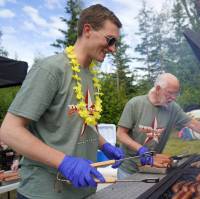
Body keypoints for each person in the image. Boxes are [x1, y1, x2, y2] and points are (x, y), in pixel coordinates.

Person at [0, 4, 124, 199]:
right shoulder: (50, 69)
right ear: (88, 30)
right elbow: (9, 130)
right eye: (110, 41)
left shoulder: (90, 76)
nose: (113, 49)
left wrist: (105, 146)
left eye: (116, 43)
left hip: (82, 191)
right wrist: (64, 161)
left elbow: (84, 123)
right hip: (45, 193)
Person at [116, 73, 200, 179]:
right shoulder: (135, 104)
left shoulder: (172, 107)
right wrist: (140, 148)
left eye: (176, 93)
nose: (174, 97)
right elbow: (120, 134)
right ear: (157, 89)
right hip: (128, 170)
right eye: (170, 93)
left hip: (153, 167)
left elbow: (194, 124)